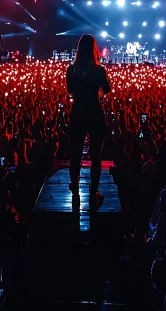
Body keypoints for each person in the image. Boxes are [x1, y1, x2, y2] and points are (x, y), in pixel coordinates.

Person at [66, 34, 111, 207]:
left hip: (78, 112)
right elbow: (106, 90)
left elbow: (70, 90)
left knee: (75, 153)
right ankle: (94, 191)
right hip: (94, 112)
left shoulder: (71, 70)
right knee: (96, 155)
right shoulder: (99, 70)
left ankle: (75, 188)